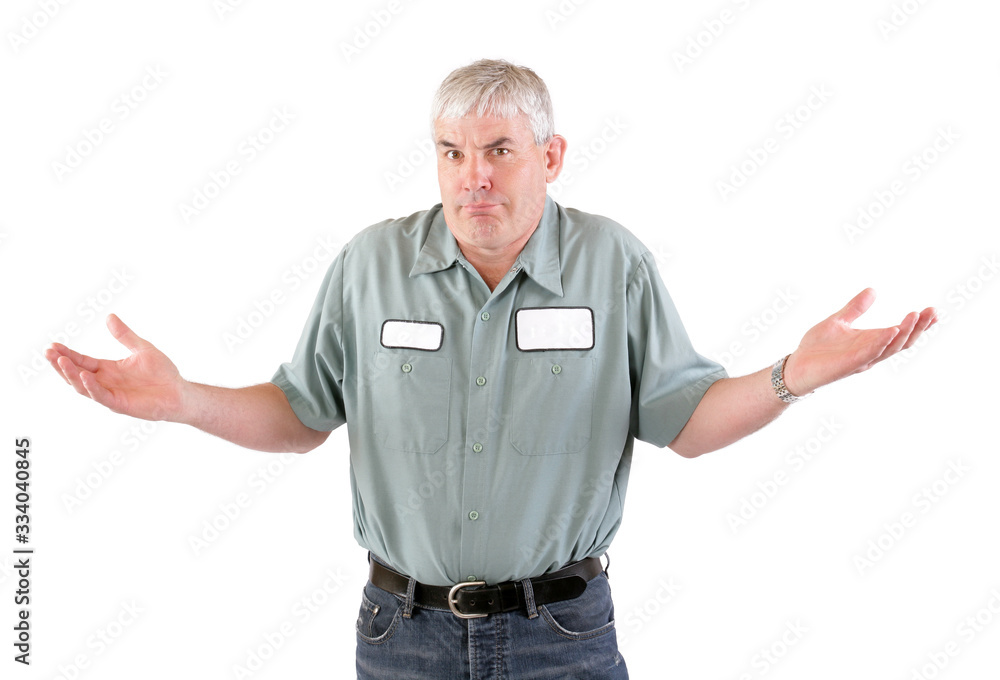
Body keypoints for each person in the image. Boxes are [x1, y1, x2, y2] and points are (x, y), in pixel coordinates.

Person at [46, 59, 938, 679]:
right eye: (452, 152)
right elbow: (300, 414)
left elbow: (688, 421)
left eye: (499, 151)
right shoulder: (370, 265)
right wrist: (184, 401)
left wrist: (794, 374)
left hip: (563, 635)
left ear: (549, 156)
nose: (473, 178)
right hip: (401, 637)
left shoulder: (612, 264)